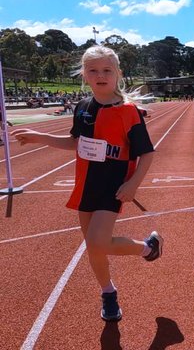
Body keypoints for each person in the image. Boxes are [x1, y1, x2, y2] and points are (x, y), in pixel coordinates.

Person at [12, 45, 162, 322]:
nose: (100, 75)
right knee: (94, 247)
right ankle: (109, 291)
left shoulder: (129, 112)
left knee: (97, 241)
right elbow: (75, 143)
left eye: (107, 70)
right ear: (84, 75)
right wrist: (38, 137)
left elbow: (148, 153)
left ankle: (147, 248)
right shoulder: (82, 108)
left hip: (113, 187)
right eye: (93, 70)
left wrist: (133, 186)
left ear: (118, 74)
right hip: (85, 185)